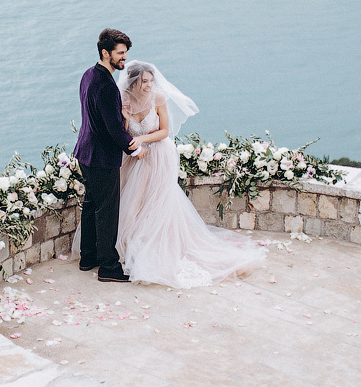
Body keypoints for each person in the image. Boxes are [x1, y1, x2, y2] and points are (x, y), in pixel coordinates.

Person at [113, 60, 266, 288]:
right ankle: (130, 247)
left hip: (157, 156)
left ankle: (160, 246)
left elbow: (164, 131)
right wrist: (126, 118)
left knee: (157, 202)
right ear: (134, 81)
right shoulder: (123, 99)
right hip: (135, 159)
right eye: (144, 81)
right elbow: (123, 133)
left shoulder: (158, 98)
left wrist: (142, 140)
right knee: (134, 203)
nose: (148, 85)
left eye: (151, 81)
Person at [73, 29, 141, 282]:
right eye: (120, 53)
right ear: (106, 53)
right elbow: (113, 128)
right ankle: (108, 267)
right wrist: (136, 148)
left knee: (91, 206)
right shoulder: (107, 86)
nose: (124, 58)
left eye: (125, 53)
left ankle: (87, 257)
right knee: (107, 212)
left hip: (85, 152)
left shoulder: (88, 75)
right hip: (101, 157)